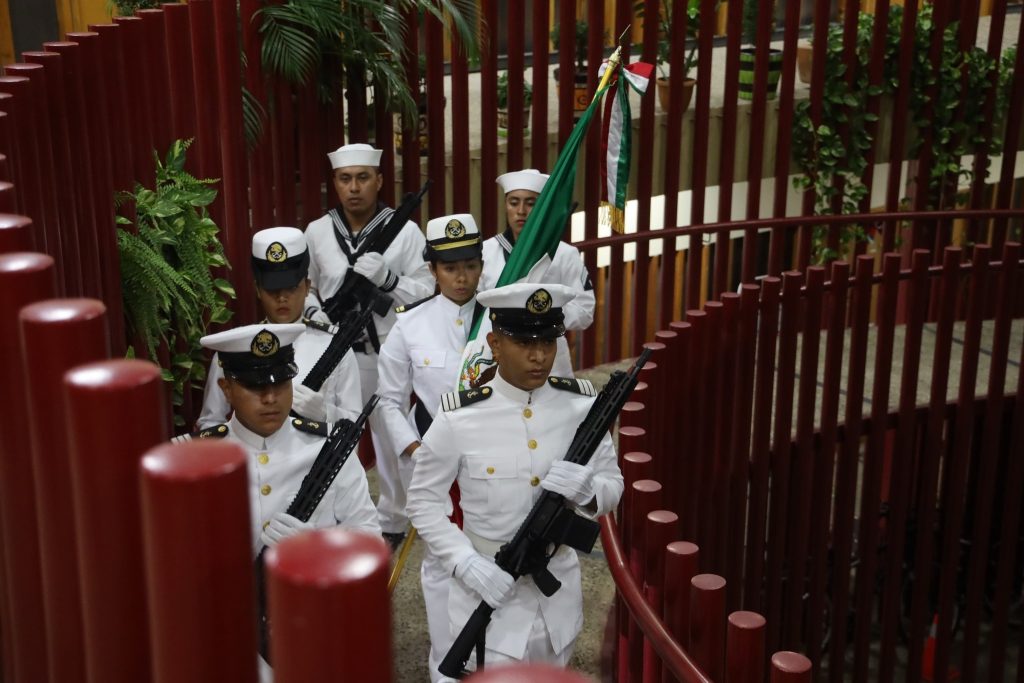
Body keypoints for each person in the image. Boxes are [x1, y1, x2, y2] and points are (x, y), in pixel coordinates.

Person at [406, 283, 623, 676]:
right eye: (524, 343)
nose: (539, 356)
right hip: (488, 594)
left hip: (557, 599)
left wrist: (590, 493)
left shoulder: (581, 406)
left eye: (548, 342)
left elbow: (613, 484)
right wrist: (464, 562)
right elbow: (422, 502)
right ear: (495, 343)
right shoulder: (459, 417)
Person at [304, 143, 433, 541]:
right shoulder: (317, 232)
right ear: (335, 183)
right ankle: (332, 514)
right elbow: (307, 285)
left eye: (363, 178)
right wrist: (313, 311)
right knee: (330, 433)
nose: (354, 187)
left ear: (379, 180)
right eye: (345, 179)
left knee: (392, 438)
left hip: (387, 351)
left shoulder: (405, 232)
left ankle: (394, 519)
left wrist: (389, 281)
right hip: (333, 350)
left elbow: (428, 289)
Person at [376, 213, 485, 681]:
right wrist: (413, 450)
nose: (462, 277)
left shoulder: (499, 318)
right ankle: (445, 666)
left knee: (491, 556)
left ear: (481, 266)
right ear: (433, 270)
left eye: (470, 266)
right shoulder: (411, 324)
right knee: (442, 564)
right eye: (450, 268)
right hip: (435, 465)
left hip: (491, 463)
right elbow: (389, 400)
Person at [197, 227, 362, 429]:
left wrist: (326, 413)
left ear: (307, 286)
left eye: (291, 288)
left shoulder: (334, 345)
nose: (282, 297)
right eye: (272, 289)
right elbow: (210, 422)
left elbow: (356, 423)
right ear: (258, 290)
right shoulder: (235, 348)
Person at [480, 169, 595, 377]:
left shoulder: (564, 254)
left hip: (549, 361)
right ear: (505, 206)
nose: (521, 211)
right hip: (498, 357)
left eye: (531, 203)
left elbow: (585, 311)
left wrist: (543, 310)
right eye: (513, 202)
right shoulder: (485, 252)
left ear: (543, 207)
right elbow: (475, 310)